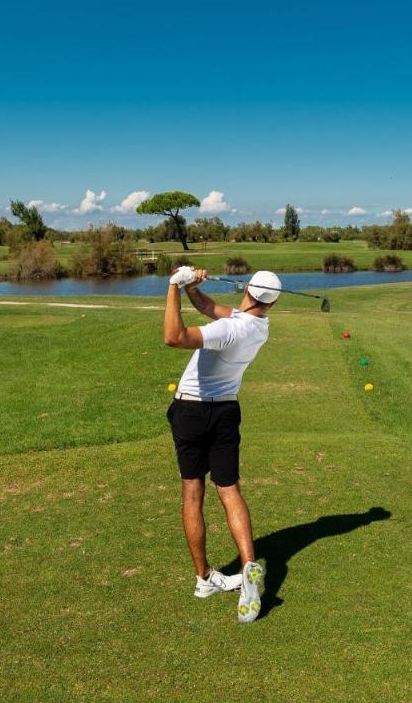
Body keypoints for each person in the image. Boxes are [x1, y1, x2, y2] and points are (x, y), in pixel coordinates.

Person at [162, 265, 281, 623]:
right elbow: (212, 309)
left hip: (192, 412)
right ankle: (247, 567)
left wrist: (171, 286)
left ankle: (204, 579)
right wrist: (190, 287)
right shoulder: (259, 325)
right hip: (227, 411)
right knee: (229, 491)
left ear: (245, 289)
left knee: (193, 493)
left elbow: (173, 337)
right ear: (270, 303)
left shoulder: (229, 329)